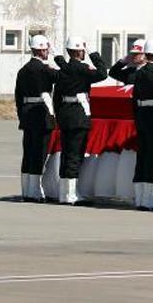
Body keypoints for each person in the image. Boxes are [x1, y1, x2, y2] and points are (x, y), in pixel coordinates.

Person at [109, 39, 153, 211]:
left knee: (142, 155)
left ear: (146, 55)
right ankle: (149, 199)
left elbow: (116, 72)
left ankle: (141, 197)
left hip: (141, 116)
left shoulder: (137, 73)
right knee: (152, 157)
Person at [53, 36, 108, 205]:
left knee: (66, 154)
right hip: (78, 115)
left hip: (65, 115)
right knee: (75, 155)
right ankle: (70, 195)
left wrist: (59, 115)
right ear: (78, 51)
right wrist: (94, 55)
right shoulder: (82, 69)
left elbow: (57, 97)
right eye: (83, 50)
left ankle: (65, 192)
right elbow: (102, 73)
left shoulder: (63, 70)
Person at [15, 35, 59, 202]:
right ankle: (35, 192)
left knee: (28, 152)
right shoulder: (45, 70)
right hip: (42, 113)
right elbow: (64, 78)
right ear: (42, 50)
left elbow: (18, 96)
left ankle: (27, 190)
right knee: (39, 153)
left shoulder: (23, 70)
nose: (48, 52)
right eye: (47, 49)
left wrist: (22, 115)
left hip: (27, 114)